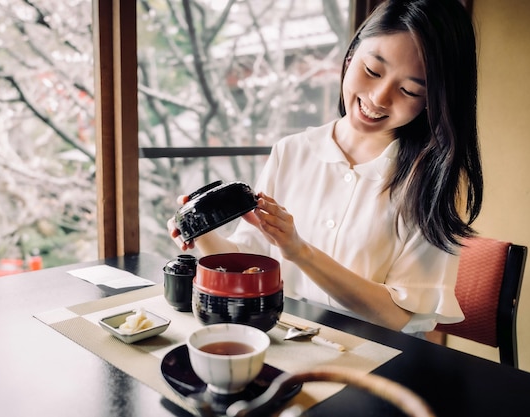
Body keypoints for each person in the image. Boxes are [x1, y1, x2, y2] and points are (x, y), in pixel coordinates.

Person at [168, 0, 483, 334]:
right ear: (350, 58)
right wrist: (201, 233)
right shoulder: (290, 152)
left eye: (408, 90)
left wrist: (300, 252)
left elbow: (398, 316)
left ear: (435, 99)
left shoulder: (433, 181)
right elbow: (249, 259)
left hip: (378, 360)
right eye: (372, 71)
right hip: (287, 345)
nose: (378, 97)